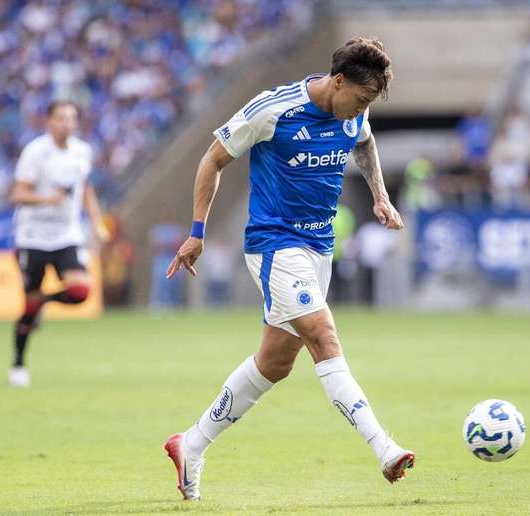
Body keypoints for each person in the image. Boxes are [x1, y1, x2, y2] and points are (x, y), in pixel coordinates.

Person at [162, 37, 413, 501]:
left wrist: (380, 195)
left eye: (368, 104)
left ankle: (190, 444)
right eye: (358, 100)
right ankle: (384, 447)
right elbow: (212, 159)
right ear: (337, 81)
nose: (359, 110)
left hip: (319, 249)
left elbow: (365, 142)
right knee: (324, 336)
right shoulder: (274, 109)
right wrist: (197, 231)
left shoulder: (354, 110)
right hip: (274, 246)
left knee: (275, 363)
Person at [9, 100, 109, 387]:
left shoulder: (82, 151)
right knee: (27, 308)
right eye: (61, 118)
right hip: (32, 237)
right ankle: (18, 362)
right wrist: (46, 199)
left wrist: (97, 221)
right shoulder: (35, 153)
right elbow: (18, 194)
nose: (66, 123)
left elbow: (85, 188)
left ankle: (43, 301)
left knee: (80, 291)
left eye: (71, 118)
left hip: (67, 235)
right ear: (49, 121)